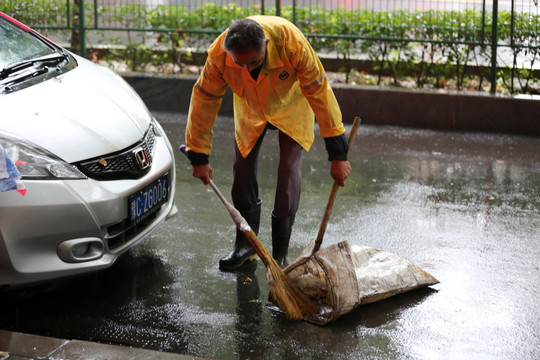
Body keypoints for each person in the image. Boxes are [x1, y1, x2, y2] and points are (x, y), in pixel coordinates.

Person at [185, 15, 351, 270]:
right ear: (229, 53)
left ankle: (280, 254)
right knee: (241, 169)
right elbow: (204, 98)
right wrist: (198, 156)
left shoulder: (291, 43)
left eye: (254, 62)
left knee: (288, 169)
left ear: (266, 43)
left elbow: (319, 91)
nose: (248, 70)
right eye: (239, 64)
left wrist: (338, 154)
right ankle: (246, 245)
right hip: (251, 107)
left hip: (291, 104)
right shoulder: (219, 54)